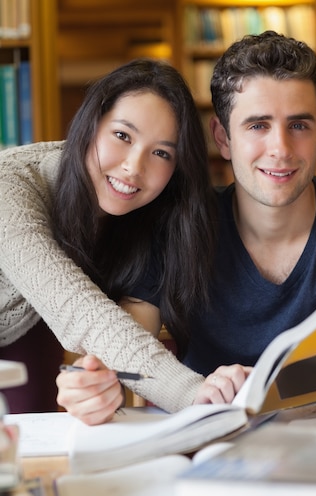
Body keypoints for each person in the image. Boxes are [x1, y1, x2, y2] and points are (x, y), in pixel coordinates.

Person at [58, 31, 316, 424]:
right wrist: (94, 388)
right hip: (208, 456)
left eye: (298, 125)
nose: (280, 148)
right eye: (258, 126)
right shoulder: (175, 229)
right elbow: (122, 357)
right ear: (222, 137)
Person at [0, 58, 247, 414]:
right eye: (122, 136)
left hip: (32, 333)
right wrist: (195, 395)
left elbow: (122, 345)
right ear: (90, 125)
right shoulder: (12, 187)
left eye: (161, 153)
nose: (134, 167)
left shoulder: (155, 215)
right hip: (48, 316)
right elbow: (75, 310)